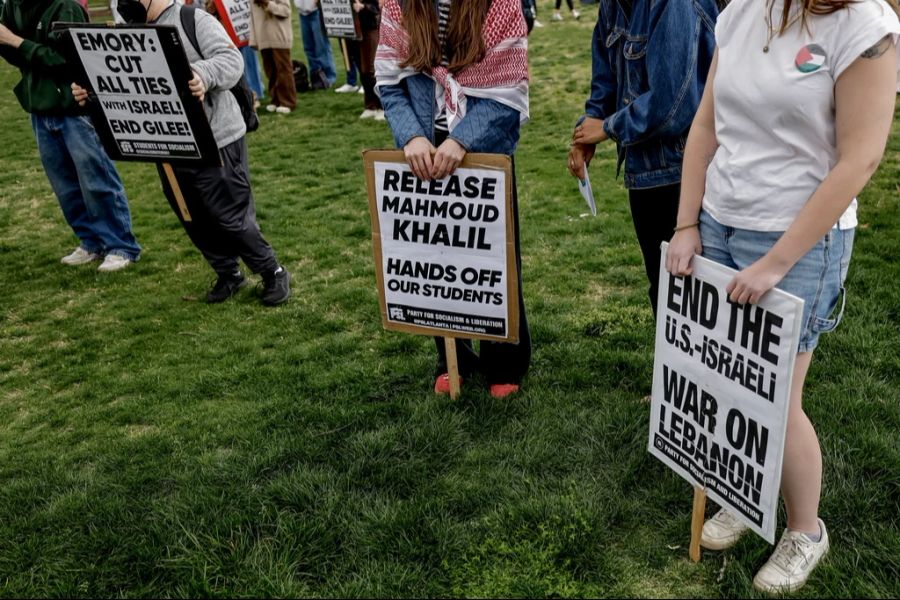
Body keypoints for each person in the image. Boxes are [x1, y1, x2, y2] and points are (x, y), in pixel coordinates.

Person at [666, 0, 898, 593]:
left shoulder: (866, 26)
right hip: (718, 220)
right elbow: (707, 125)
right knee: (721, 381)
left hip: (799, 239)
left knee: (774, 395)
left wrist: (776, 262)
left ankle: (804, 530)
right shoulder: (740, 9)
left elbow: (860, 159)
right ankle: (743, 495)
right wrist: (687, 223)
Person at [75, 0, 292, 305]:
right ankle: (228, 273)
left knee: (230, 215)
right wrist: (92, 92)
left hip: (216, 139)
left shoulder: (193, 19)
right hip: (169, 144)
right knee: (193, 216)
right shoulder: (131, 32)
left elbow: (232, 60)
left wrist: (202, 75)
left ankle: (272, 271)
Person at [375, 0, 531, 399]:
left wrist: (463, 140)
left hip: (485, 148)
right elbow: (390, 84)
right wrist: (411, 136)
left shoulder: (501, 4)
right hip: (423, 151)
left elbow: (509, 90)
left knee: (494, 257)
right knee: (436, 263)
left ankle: (504, 361)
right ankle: (452, 359)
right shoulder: (399, 4)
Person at [568, 0, 719, 317]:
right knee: (665, 289)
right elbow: (605, 76)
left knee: (691, 296)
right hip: (646, 171)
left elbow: (672, 104)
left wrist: (608, 127)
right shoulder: (613, 4)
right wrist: (588, 130)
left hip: (686, 171)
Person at [0, 0, 141, 272]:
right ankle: (91, 241)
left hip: (74, 109)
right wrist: (12, 45)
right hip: (39, 108)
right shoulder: (13, 7)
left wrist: (16, 42)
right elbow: (16, 54)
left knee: (96, 179)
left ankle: (121, 245)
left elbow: (67, 60)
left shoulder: (65, 6)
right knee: (65, 186)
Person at [205, 0, 265, 103]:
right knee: (234, 64)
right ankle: (243, 93)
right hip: (228, 32)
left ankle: (255, 92)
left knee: (250, 61)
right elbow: (209, 10)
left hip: (244, 28)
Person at [249, 0, 297, 113]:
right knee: (270, 71)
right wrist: (254, 39)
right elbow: (252, 17)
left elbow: (286, 10)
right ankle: (276, 100)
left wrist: (267, 4)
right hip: (263, 37)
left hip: (279, 35)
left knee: (283, 69)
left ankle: (288, 101)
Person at [296, 0, 337, 88]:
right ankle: (316, 76)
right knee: (308, 48)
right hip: (302, 12)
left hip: (317, 10)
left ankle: (328, 77)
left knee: (321, 46)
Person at [353, 0, 382, 119]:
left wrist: (363, 7)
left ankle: (382, 106)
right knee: (362, 69)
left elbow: (376, 8)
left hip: (370, 29)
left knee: (370, 70)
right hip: (355, 31)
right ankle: (370, 105)